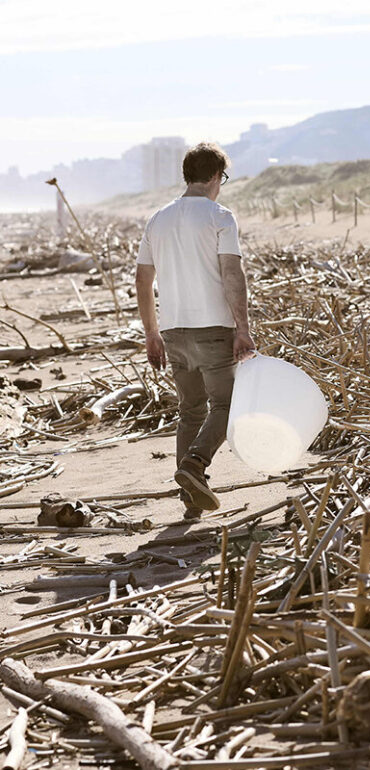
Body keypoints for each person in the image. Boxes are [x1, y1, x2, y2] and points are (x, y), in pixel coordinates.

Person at [135, 142, 255, 521]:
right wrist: (243, 328)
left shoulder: (158, 219)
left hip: (173, 329)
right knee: (227, 404)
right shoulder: (220, 216)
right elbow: (231, 273)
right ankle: (195, 464)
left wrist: (151, 333)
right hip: (213, 326)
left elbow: (142, 279)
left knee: (190, 410)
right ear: (216, 176)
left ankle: (191, 496)